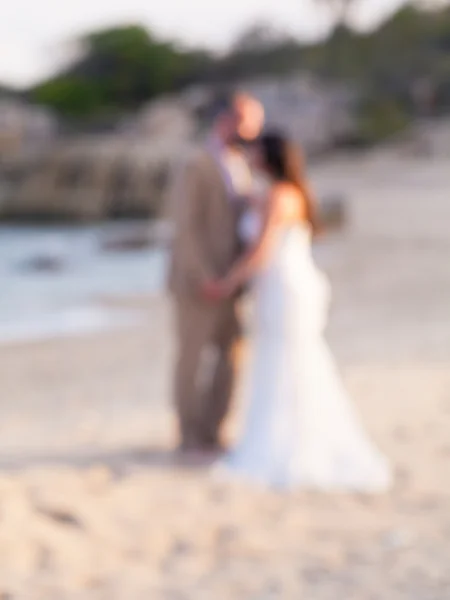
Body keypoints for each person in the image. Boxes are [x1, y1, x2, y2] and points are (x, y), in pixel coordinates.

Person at [210, 132, 392, 492]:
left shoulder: (278, 196)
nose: (251, 156)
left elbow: (260, 251)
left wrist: (226, 284)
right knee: (288, 362)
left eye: (257, 151)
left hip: (284, 288)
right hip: (287, 285)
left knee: (287, 362)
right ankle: (283, 438)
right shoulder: (283, 193)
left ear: (270, 157)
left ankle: (287, 445)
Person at [168, 91, 265, 454]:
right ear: (227, 121)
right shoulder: (197, 163)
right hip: (197, 283)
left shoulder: (244, 164)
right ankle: (189, 435)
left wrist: (237, 277)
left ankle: (213, 430)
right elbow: (185, 226)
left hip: (233, 282)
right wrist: (204, 275)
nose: (255, 130)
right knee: (192, 359)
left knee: (232, 355)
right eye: (249, 121)